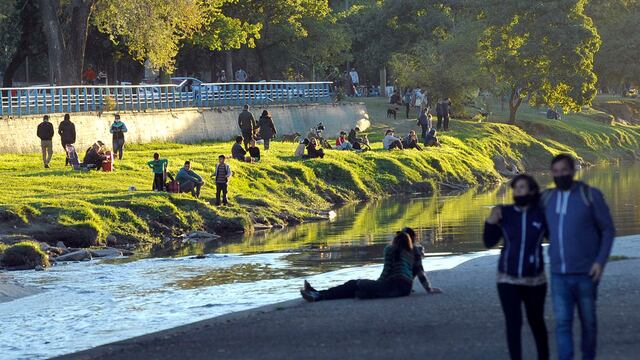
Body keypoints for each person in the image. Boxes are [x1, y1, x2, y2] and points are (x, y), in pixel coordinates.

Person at [542, 154, 615, 360]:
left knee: (588, 322)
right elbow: (539, 228)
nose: (560, 175)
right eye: (555, 172)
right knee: (562, 324)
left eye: (564, 171)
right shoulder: (547, 198)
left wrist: (600, 262)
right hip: (558, 274)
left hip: (586, 273)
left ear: (573, 171)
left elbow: (608, 230)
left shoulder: (590, 195)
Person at [484, 175, 550, 360]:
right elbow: (488, 242)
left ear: (532, 191)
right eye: (515, 188)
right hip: (507, 279)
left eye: (522, 188)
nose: (518, 192)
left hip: (535, 279)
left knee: (536, 322)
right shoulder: (504, 213)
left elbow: (555, 237)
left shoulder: (542, 214)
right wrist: (491, 221)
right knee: (513, 323)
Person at [301, 231, 425, 302]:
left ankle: (318, 295)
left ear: (395, 241)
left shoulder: (390, 250)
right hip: (404, 289)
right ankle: (316, 293)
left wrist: (377, 284)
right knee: (357, 289)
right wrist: (429, 289)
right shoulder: (413, 252)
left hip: (390, 287)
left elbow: (386, 272)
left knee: (355, 283)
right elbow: (417, 272)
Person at [402, 227, 443, 295]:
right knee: (416, 266)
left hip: (387, 283)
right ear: (413, 238)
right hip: (401, 288)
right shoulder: (415, 250)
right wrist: (429, 289)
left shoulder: (392, 249)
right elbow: (420, 271)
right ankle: (404, 286)